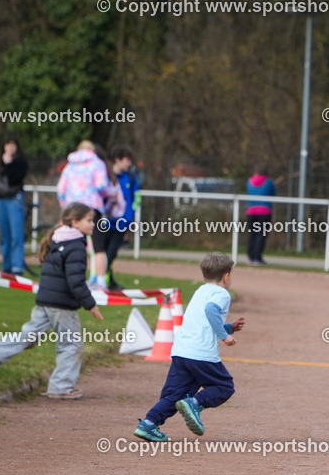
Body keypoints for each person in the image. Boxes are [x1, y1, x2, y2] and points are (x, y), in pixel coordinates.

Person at [0, 202, 103, 399]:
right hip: (62, 305)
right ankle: (61, 387)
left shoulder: (58, 239)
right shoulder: (76, 245)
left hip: (45, 300)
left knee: (29, 336)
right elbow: (76, 281)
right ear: (75, 222)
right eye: (89, 220)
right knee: (71, 345)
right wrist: (90, 304)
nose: (93, 224)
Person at [134, 253, 246, 441]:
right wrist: (224, 336)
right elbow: (211, 311)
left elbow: (202, 322)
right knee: (224, 386)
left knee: (174, 394)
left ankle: (149, 423)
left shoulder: (200, 291)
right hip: (202, 354)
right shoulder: (221, 294)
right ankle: (194, 403)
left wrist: (229, 327)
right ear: (226, 276)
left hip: (182, 351)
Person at [56, 141, 118, 287]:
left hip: (72, 209)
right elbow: (101, 185)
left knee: (72, 244)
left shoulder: (70, 165)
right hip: (92, 207)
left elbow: (61, 188)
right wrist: (112, 193)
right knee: (98, 247)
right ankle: (101, 282)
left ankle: (72, 279)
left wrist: (65, 206)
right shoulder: (97, 163)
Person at [0, 136, 29, 274]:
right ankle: (6, 265)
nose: (10, 147)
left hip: (14, 199)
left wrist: (8, 164)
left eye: (13, 145)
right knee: (4, 234)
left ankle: (17, 266)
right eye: (8, 144)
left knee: (16, 234)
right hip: (0, 200)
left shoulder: (20, 162)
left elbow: (15, 179)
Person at [107, 146, 139, 290]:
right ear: (117, 160)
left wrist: (129, 215)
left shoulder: (131, 178)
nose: (129, 164)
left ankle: (107, 281)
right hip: (105, 222)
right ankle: (104, 280)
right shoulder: (106, 176)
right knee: (103, 254)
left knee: (112, 254)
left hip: (121, 224)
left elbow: (136, 198)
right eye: (127, 160)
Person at [246, 166, 275, 265]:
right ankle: (257, 257)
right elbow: (273, 194)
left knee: (252, 234)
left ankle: (250, 257)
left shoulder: (249, 182)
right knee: (261, 235)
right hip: (264, 212)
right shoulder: (268, 182)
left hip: (251, 212)